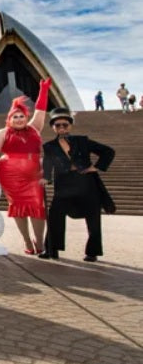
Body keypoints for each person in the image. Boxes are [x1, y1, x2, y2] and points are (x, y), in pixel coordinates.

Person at [0, 79, 52, 254]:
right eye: (15, 117)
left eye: (21, 116)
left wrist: (43, 91)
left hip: (34, 173)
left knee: (37, 206)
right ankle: (27, 241)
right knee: (19, 207)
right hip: (10, 174)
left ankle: (40, 242)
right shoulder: (2, 133)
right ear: (9, 119)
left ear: (26, 117)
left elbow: (41, 110)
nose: (19, 119)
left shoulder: (34, 129)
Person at [40, 108, 115, 261]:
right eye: (57, 125)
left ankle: (92, 252)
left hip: (86, 183)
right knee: (55, 216)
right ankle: (51, 249)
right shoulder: (49, 146)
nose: (61, 128)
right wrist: (46, 178)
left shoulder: (82, 140)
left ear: (70, 126)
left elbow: (108, 151)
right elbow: (48, 164)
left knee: (93, 218)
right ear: (53, 127)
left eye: (65, 125)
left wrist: (96, 167)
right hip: (64, 185)